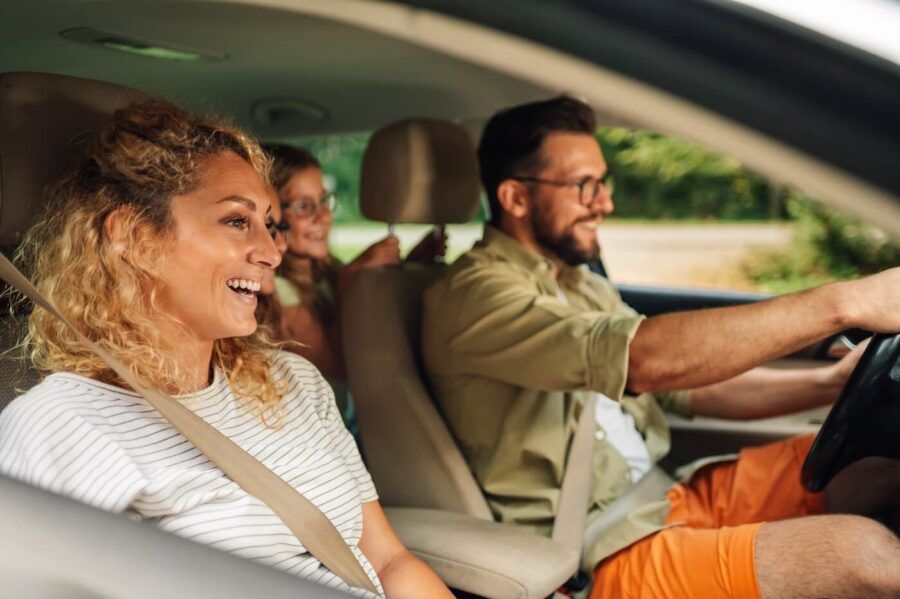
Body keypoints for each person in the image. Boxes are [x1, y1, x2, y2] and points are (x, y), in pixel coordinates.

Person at [421, 96, 900, 598]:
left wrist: (826, 384)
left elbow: (685, 390)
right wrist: (845, 303)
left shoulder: (577, 283)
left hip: (668, 495)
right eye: (584, 186)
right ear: (515, 198)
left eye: (602, 184)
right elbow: (643, 361)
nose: (604, 203)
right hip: (604, 551)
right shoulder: (473, 297)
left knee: (877, 466)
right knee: (867, 556)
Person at [0, 99, 452, 599]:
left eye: (268, 223)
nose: (272, 251)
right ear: (136, 237)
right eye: (237, 221)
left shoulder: (294, 381)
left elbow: (388, 559)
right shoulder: (62, 425)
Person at [263, 144, 445, 426]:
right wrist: (350, 280)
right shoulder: (276, 290)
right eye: (303, 206)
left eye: (324, 201)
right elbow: (335, 369)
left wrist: (409, 266)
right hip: (314, 431)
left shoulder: (323, 268)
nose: (323, 216)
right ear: (272, 216)